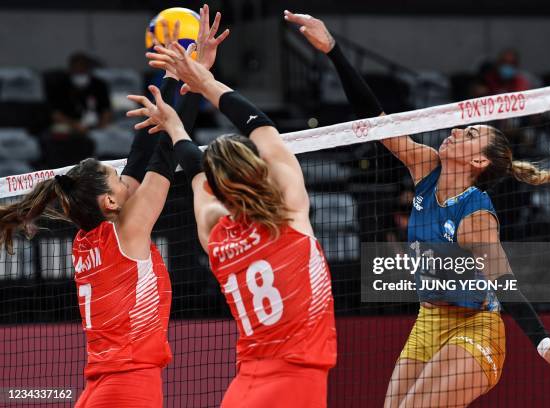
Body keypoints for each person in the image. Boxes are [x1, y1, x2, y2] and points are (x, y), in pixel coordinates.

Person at [284, 10, 550, 408]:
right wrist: (333, 50)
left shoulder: (475, 216)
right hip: (428, 320)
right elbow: (376, 121)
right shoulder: (425, 166)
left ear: (479, 162)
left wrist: (544, 343)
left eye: (468, 134)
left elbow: (504, 283)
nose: (454, 132)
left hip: (476, 327)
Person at [0, 11, 228, 407]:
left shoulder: (93, 237)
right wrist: (194, 76)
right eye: (118, 179)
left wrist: (170, 76)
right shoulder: (128, 230)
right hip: (129, 386)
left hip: (103, 385)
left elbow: (140, 158)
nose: (127, 179)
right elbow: (163, 157)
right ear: (109, 202)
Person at [129, 9, 336, 406]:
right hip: (295, 379)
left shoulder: (215, 232)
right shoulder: (289, 215)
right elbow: (260, 128)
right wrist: (204, 81)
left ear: (215, 186)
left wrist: (175, 124)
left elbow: (192, 166)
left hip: (244, 385)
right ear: (258, 169)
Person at [44, 52, 113, 168]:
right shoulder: (60, 84)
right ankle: (65, 165)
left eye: (83, 68)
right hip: (68, 124)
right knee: (58, 132)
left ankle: (103, 166)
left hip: (96, 125)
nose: (80, 71)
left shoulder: (99, 84)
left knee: (117, 135)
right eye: (77, 68)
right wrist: (75, 125)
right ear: (71, 69)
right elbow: (55, 114)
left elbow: (106, 110)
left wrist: (102, 126)